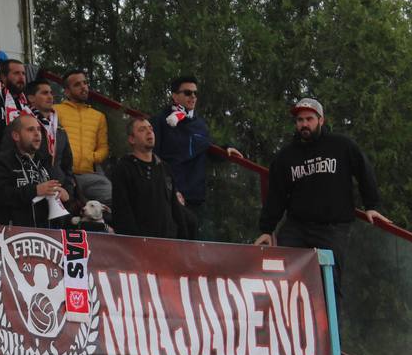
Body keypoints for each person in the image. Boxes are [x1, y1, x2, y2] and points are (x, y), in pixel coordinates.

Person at [254, 98, 388, 284]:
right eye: (300, 120)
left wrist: (372, 206)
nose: (304, 124)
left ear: (321, 120)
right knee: (282, 275)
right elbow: (276, 194)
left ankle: (331, 314)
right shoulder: (286, 156)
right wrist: (267, 229)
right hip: (297, 227)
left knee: (329, 284)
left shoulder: (341, 145)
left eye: (309, 119)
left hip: (332, 228)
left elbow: (364, 171)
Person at [152, 74, 242, 240]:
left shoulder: (200, 124)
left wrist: (225, 150)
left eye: (195, 93)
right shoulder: (160, 121)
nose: (193, 96)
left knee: (197, 247)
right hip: (169, 197)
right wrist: (170, 189)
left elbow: (205, 148)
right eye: (187, 92)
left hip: (195, 197)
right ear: (174, 96)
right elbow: (154, 158)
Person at [109, 117, 192, 239]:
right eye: (142, 130)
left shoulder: (164, 168)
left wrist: (183, 241)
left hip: (169, 244)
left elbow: (175, 207)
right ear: (132, 139)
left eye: (151, 129)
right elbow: (122, 212)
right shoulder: (123, 168)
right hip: (140, 246)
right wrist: (135, 243)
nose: (149, 132)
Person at [0, 114, 69, 228]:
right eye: (30, 129)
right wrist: (34, 190)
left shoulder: (45, 161)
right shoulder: (2, 162)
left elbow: (56, 189)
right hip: (14, 235)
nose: (37, 134)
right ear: (16, 136)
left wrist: (63, 194)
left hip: (46, 236)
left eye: (39, 129)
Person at [56, 69, 113, 204]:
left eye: (85, 83)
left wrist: (92, 157)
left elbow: (103, 147)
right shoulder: (56, 110)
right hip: (62, 175)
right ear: (67, 91)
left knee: (112, 198)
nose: (83, 87)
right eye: (77, 84)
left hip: (89, 175)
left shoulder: (98, 116)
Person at [24, 79, 76, 201]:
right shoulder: (21, 125)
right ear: (31, 98)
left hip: (60, 195)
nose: (50, 96)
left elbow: (67, 166)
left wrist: (68, 192)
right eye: (44, 93)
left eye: (51, 93)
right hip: (33, 195)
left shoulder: (59, 129)